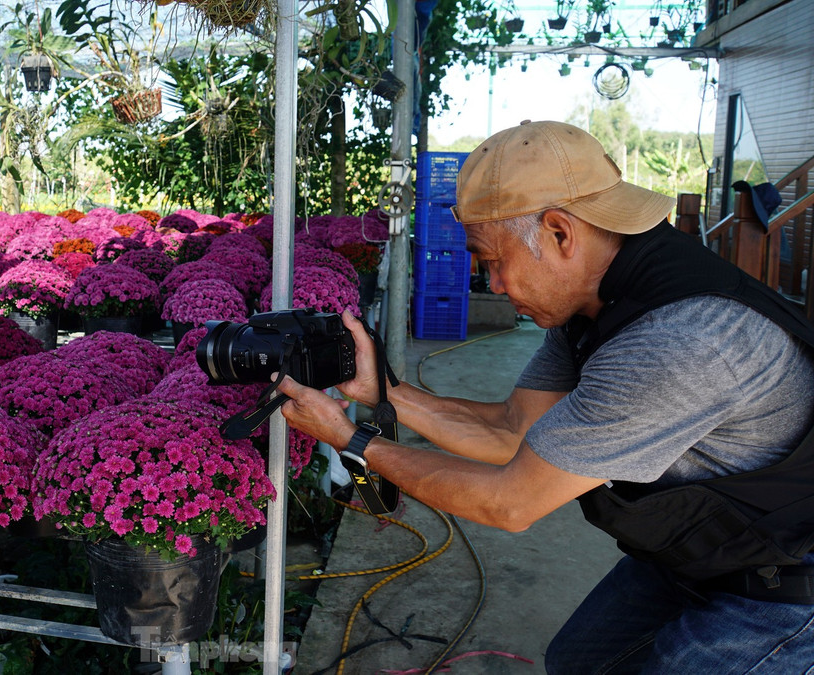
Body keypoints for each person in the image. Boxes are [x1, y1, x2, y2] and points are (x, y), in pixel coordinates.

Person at [274, 120, 814, 674]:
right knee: (578, 662)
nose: (495, 285)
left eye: (492, 261)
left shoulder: (678, 341)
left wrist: (348, 438)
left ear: (560, 232)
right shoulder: (595, 300)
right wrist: (385, 394)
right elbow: (515, 429)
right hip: (705, 552)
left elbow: (511, 502)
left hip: (780, 583)